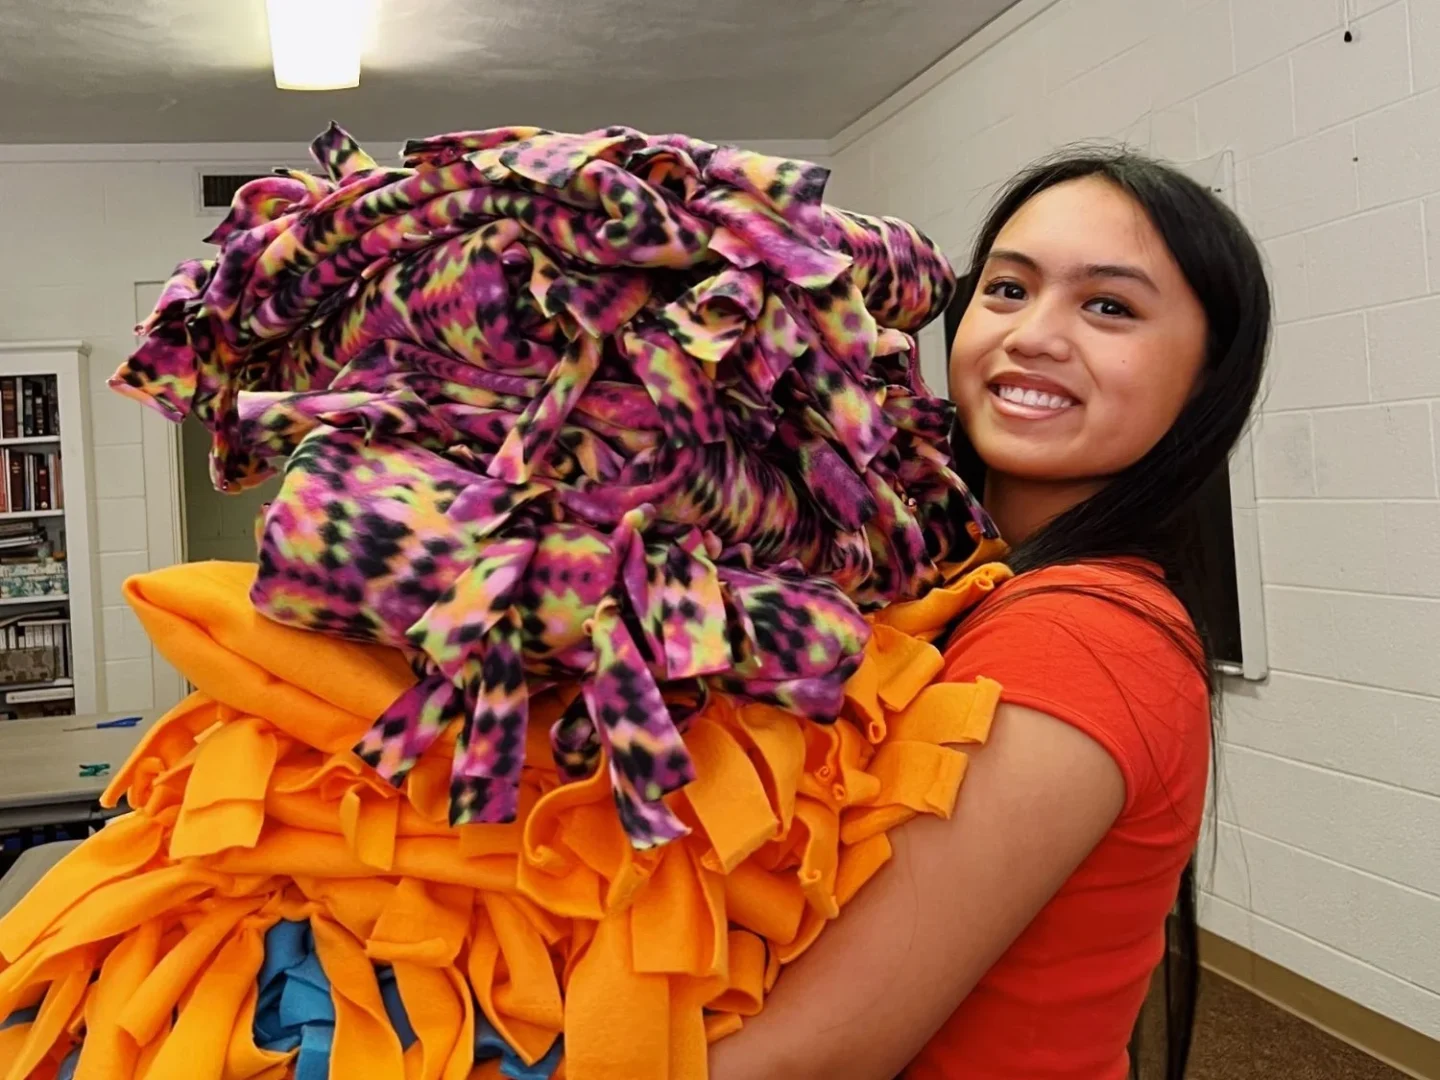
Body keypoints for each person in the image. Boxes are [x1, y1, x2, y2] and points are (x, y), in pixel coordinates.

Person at [708, 149, 1271, 1080]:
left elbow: (808, 1057)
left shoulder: (1081, 631)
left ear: (1206, 381)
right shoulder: (959, 581)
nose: (1034, 336)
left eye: (1109, 307)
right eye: (1008, 289)